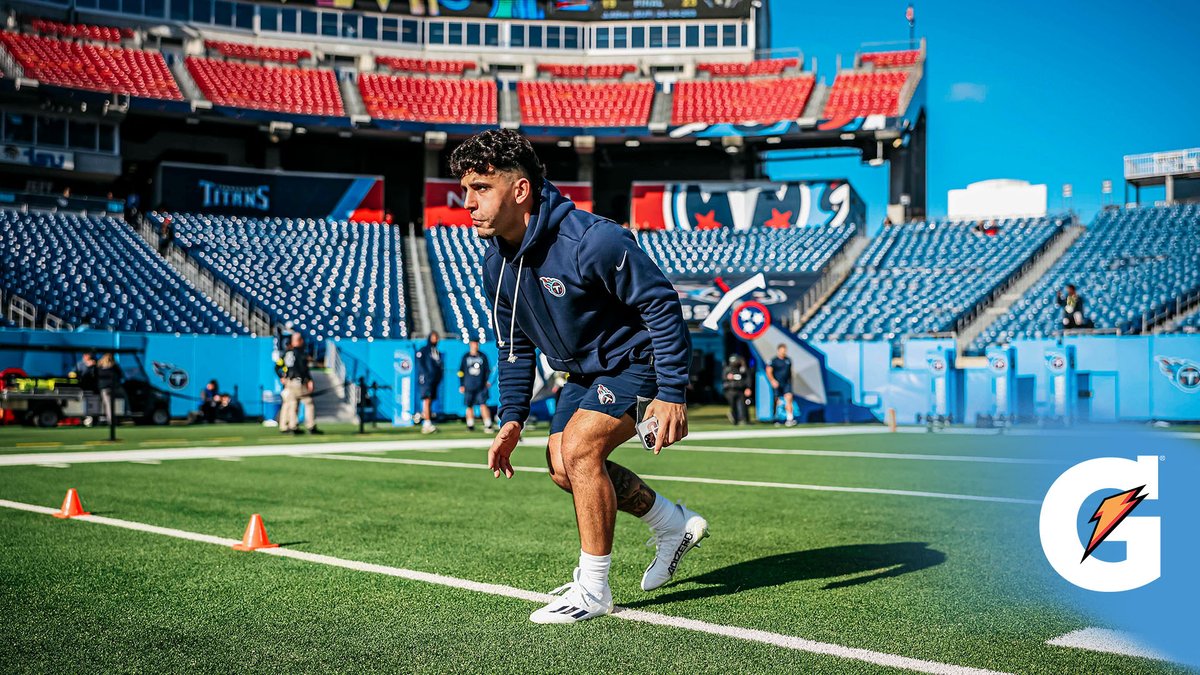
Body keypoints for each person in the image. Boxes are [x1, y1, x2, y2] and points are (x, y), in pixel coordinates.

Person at [452, 129, 705, 624]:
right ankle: (672, 523)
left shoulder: (593, 240)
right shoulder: (494, 262)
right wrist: (512, 419)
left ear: (520, 190)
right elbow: (514, 343)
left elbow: (662, 305)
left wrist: (672, 392)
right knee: (562, 468)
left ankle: (593, 589)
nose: (468, 202)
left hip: (639, 362)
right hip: (583, 374)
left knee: (582, 448)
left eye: (480, 188)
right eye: (466, 189)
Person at [277, 333, 320, 435]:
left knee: (291, 404)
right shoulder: (300, 353)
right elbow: (302, 369)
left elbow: (277, 366)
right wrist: (309, 380)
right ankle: (310, 425)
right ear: (299, 341)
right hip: (298, 381)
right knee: (308, 402)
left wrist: (282, 377)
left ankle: (291, 426)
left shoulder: (286, 353)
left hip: (289, 382)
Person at [458, 339, 493, 432]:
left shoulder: (482, 356)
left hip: (481, 385)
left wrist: (487, 381)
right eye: (473, 344)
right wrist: (461, 384)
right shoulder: (465, 357)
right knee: (469, 405)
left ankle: (488, 424)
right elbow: (461, 372)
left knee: (483, 404)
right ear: (470, 344)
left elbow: (487, 370)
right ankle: (470, 425)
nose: (475, 345)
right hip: (468, 385)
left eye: (477, 344)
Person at [415, 331, 443, 434]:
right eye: (434, 337)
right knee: (426, 400)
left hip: (433, 380)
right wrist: (426, 375)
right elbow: (421, 364)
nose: (436, 339)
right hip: (426, 379)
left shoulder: (436, 351)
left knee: (430, 401)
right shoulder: (424, 350)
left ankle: (425, 420)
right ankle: (427, 423)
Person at [766, 344, 797, 427]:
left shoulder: (788, 360)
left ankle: (790, 419)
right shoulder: (774, 361)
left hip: (786, 383)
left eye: (785, 350)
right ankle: (776, 418)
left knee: (789, 398)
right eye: (782, 350)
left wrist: (791, 381)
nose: (783, 352)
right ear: (778, 350)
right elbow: (768, 371)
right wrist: (772, 380)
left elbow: (790, 372)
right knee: (777, 401)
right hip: (777, 383)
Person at [722, 354, 752, 425]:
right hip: (731, 390)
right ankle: (735, 419)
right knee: (733, 406)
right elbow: (723, 379)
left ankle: (744, 419)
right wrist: (727, 377)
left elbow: (747, 379)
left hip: (740, 390)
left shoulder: (742, 369)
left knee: (743, 405)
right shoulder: (728, 369)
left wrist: (748, 387)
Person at [95, 352, 122, 425]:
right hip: (113, 387)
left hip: (104, 388)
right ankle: (127, 412)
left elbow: (95, 376)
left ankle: (109, 420)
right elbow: (121, 375)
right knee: (111, 404)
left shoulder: (99, 366)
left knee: (108, 405)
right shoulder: (114, 366)